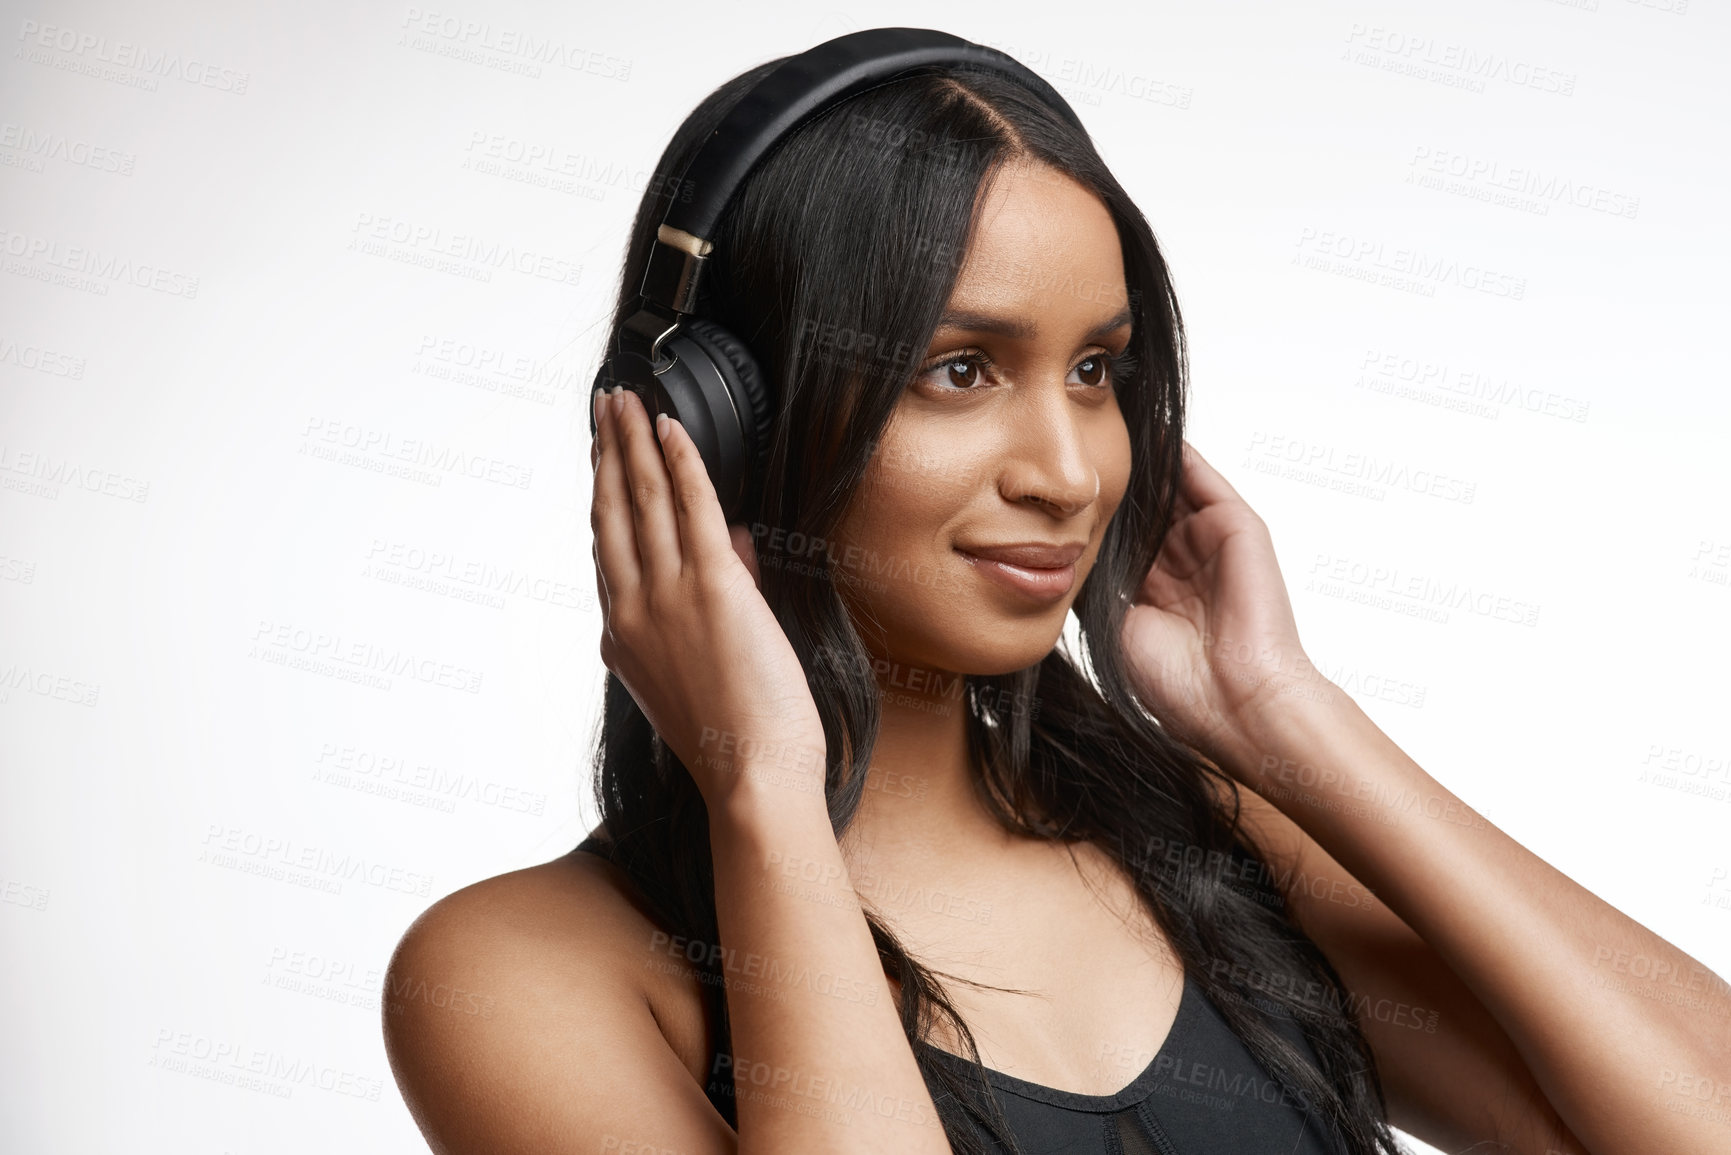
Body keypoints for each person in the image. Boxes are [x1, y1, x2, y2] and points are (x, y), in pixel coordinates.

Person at [380, 34, 1730, 1155]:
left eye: (1097, 371)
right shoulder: (519, 975)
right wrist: (762, 790)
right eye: (961, 370)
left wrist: (1291, 721)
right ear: (719, 423)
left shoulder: (1213, 848)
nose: (1072, 472)